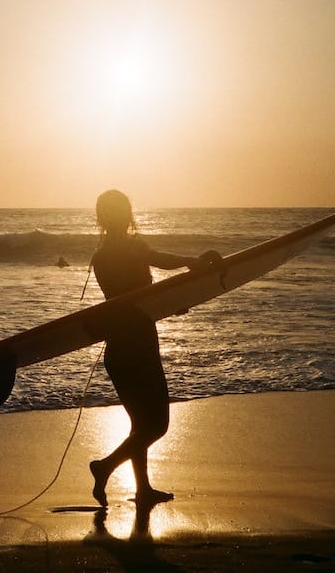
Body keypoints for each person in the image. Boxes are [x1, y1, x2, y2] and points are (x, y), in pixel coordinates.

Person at [87, 189, 223, 508]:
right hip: (139, 346)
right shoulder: (132, 248)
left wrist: (168, 305)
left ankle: (143, 489)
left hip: (118, 350)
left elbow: (127, 300)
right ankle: (104, 467)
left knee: (140, 425)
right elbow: (161, 262)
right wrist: (194, 262)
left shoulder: (101, 256)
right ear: (125, 214)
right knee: (157, 425)